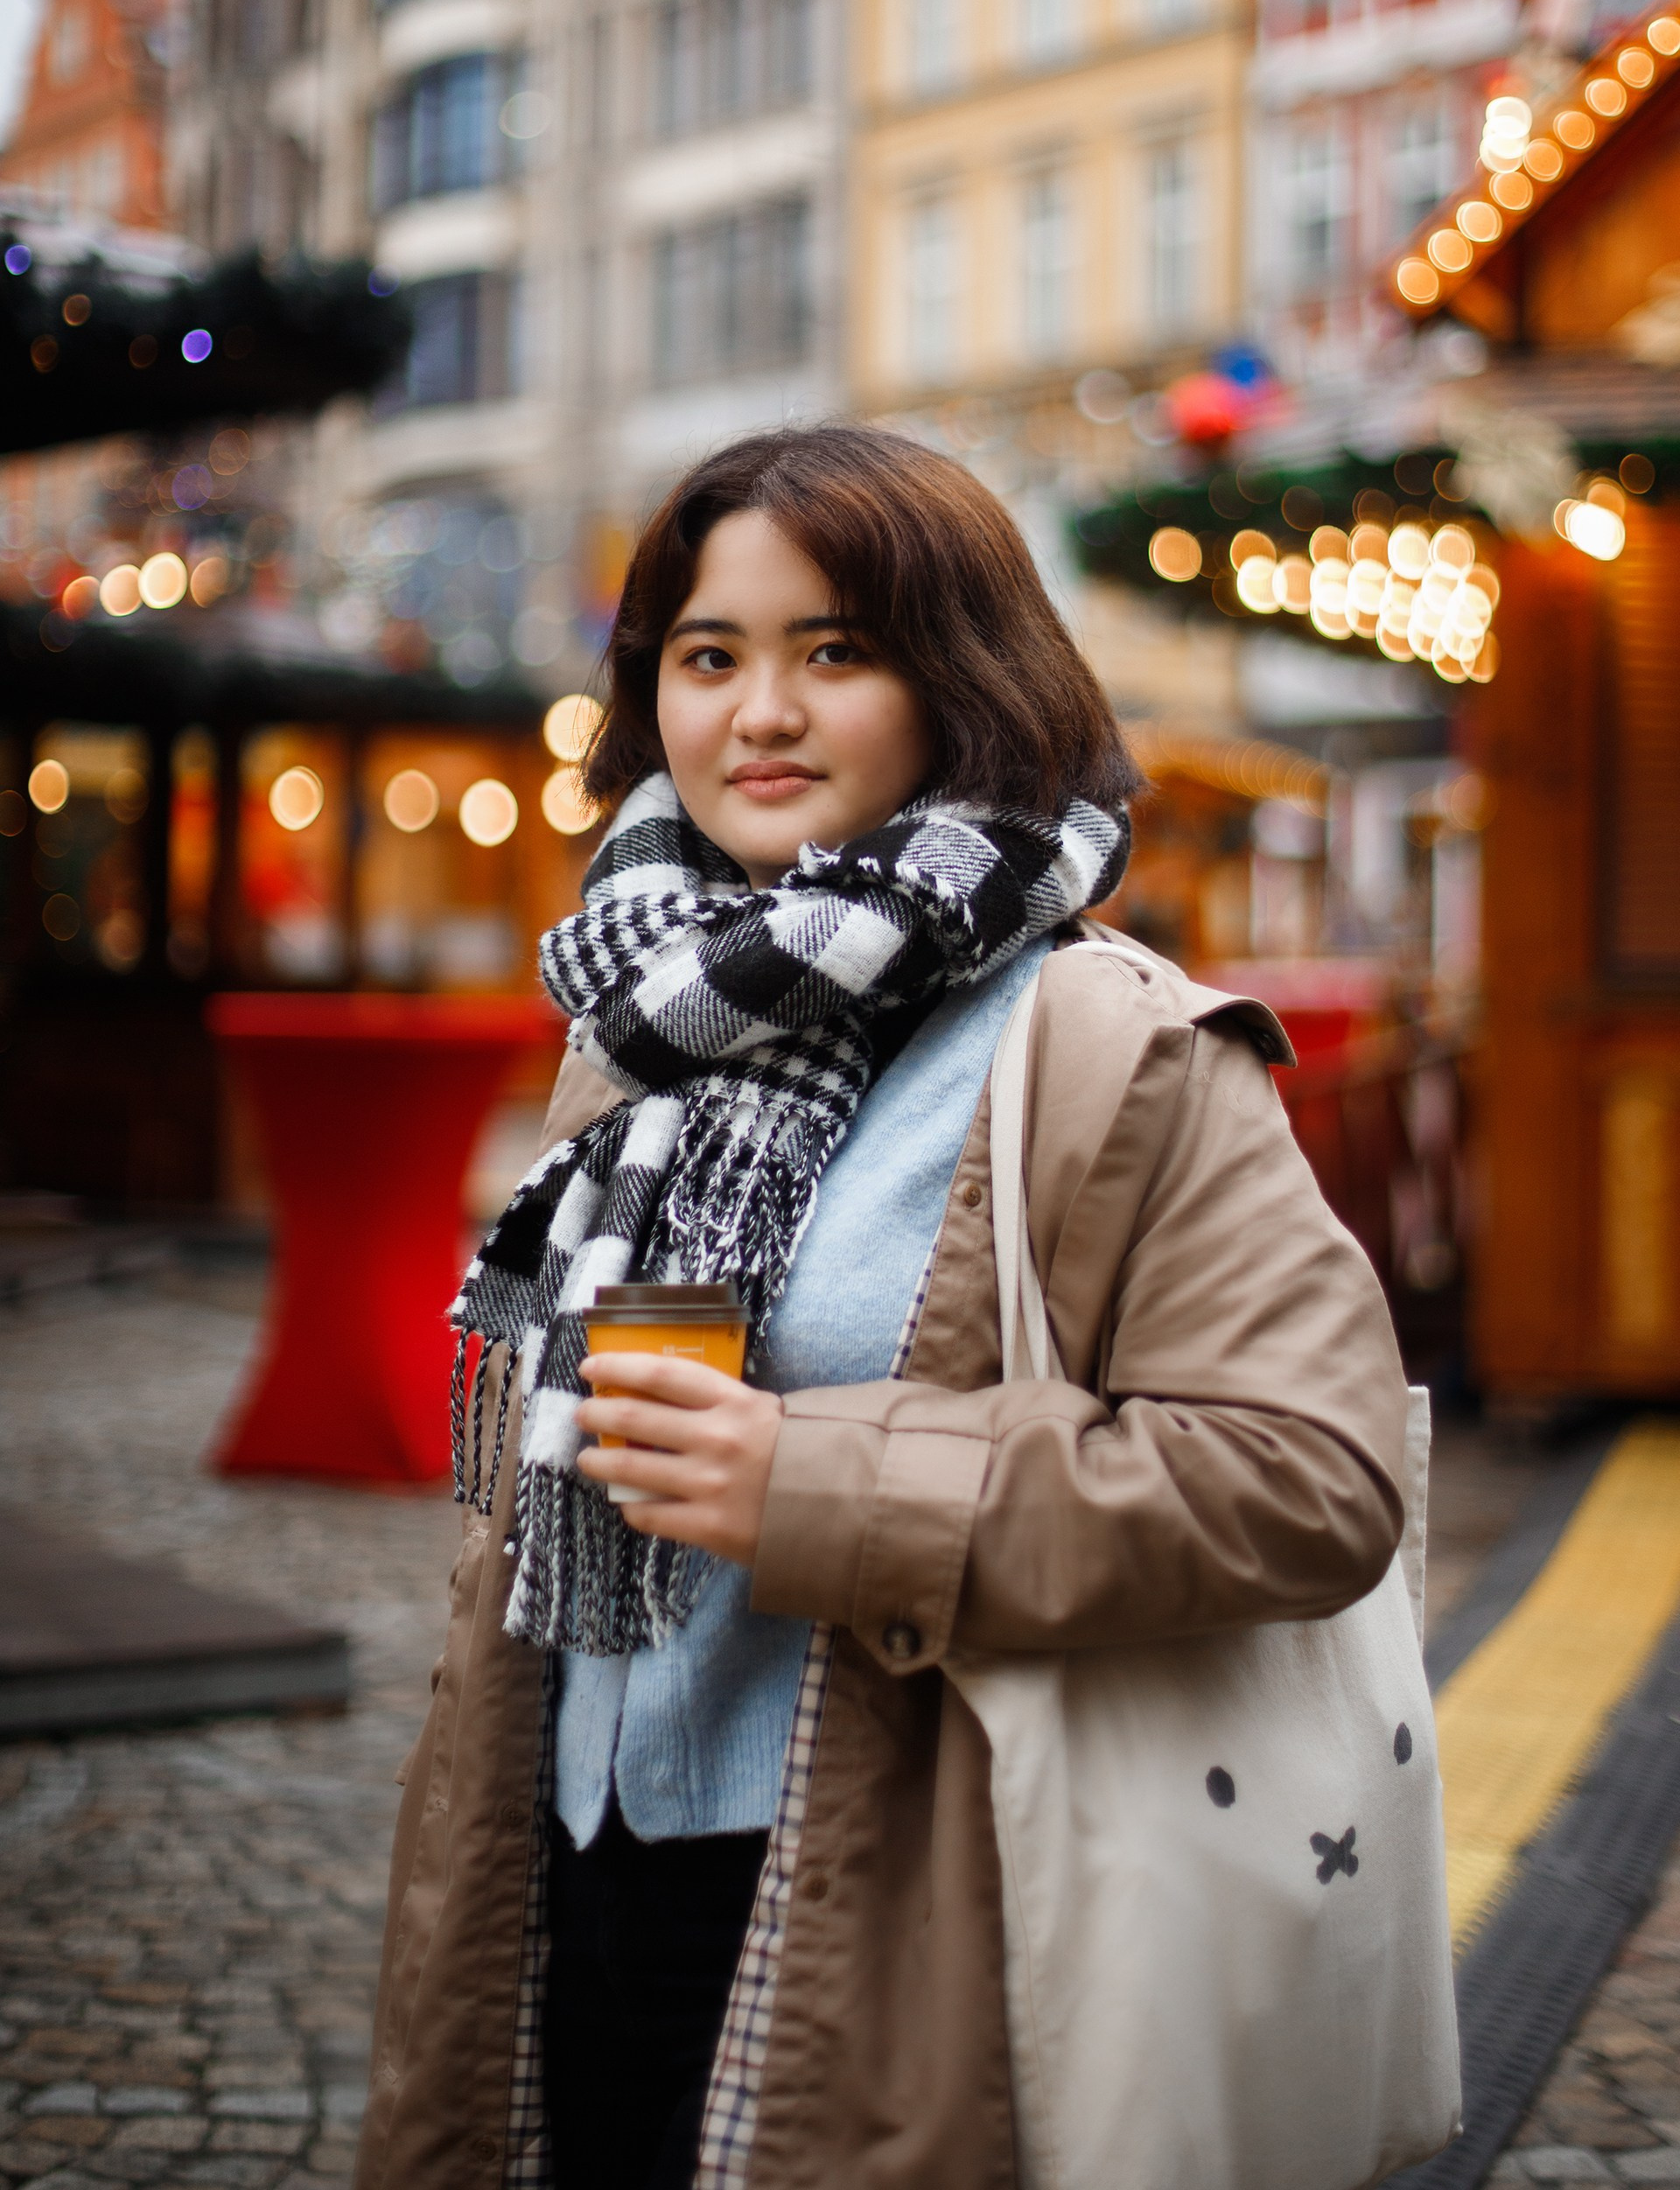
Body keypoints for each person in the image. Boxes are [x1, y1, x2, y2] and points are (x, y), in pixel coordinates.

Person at [354, 423, 1410, 2190]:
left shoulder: (1108, 1045)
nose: (758, 712)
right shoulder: (642, 1019)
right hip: (568, 1854)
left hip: (899, 1877)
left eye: (832, 650)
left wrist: (814, 1492)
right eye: (709, 657)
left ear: (960, 680)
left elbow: (1311, 1477)